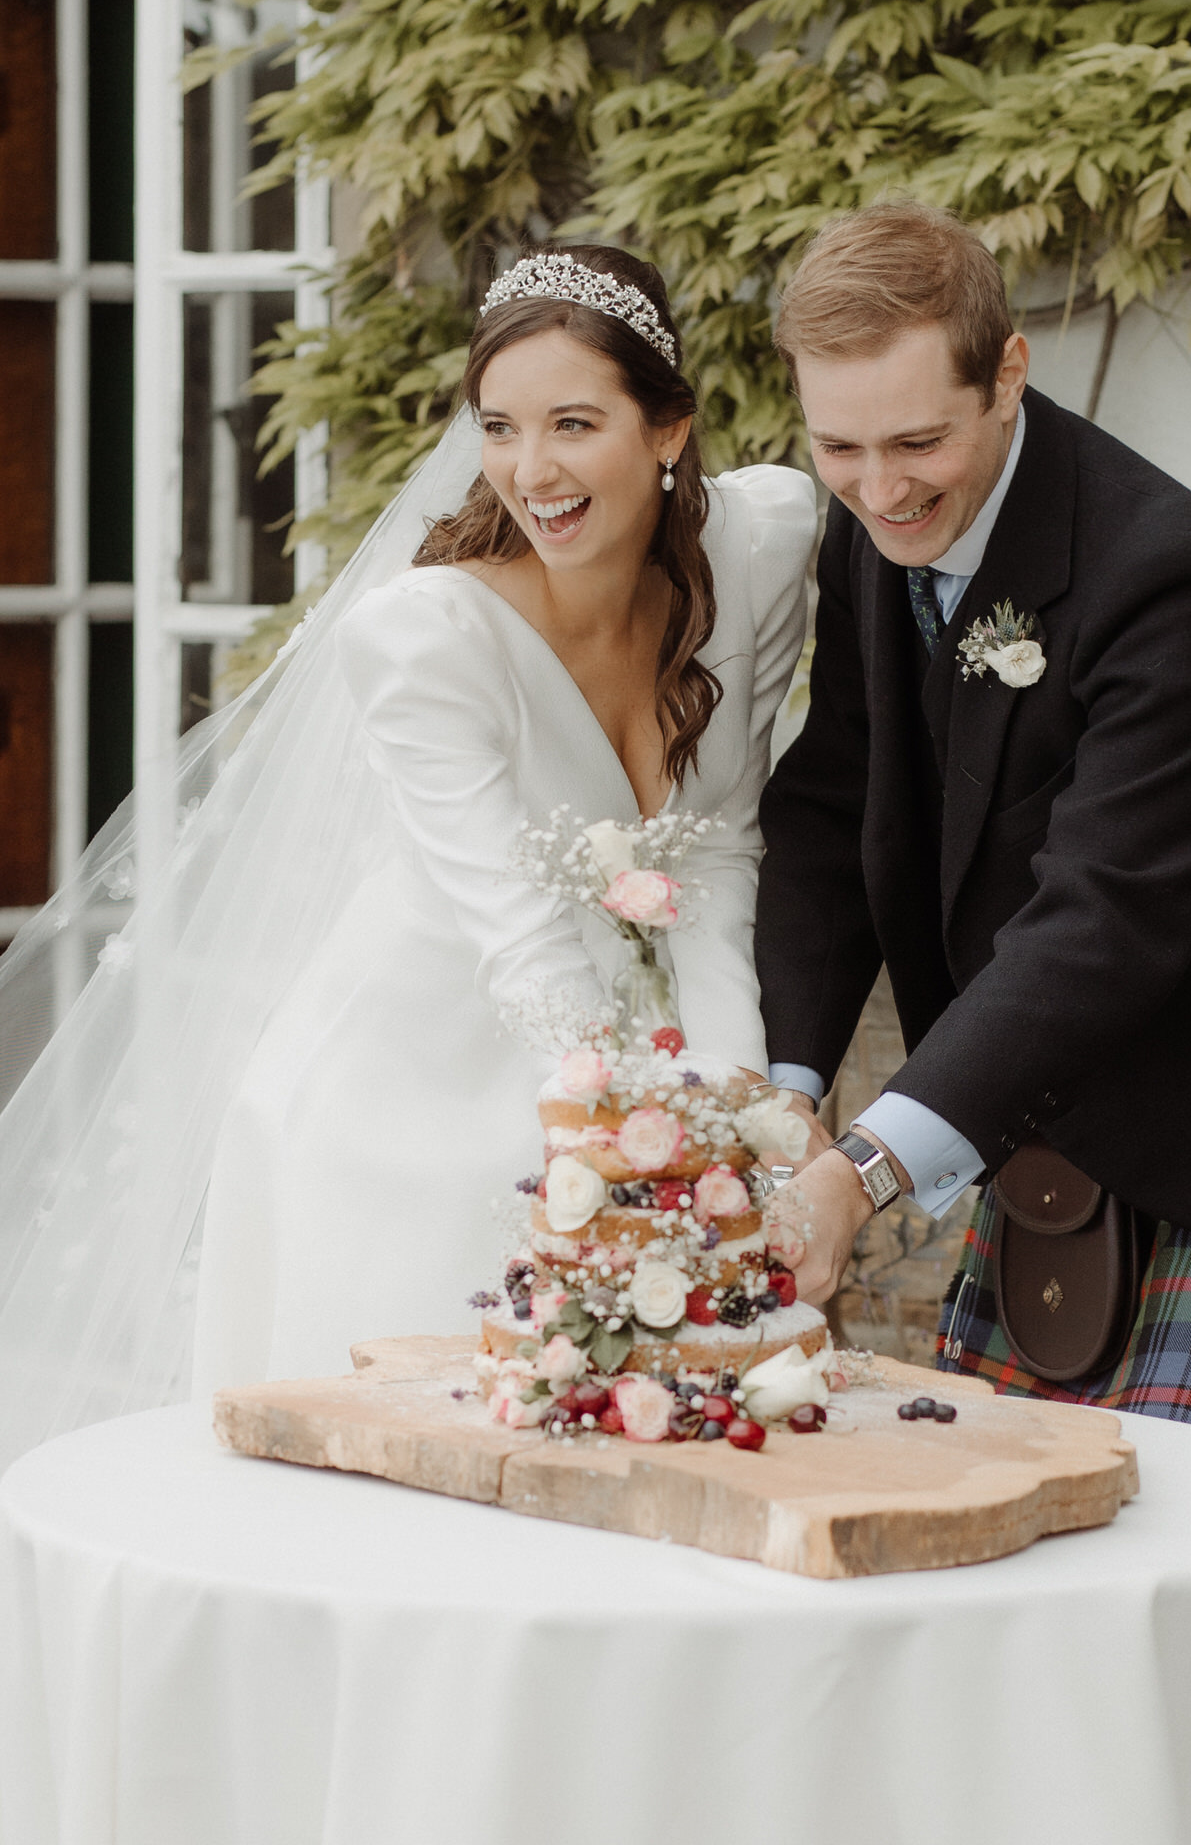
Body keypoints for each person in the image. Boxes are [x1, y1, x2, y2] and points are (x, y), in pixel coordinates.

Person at [0, 247, 814, 1461]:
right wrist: (652, 1160)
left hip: (610, 1076)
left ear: (668, 430)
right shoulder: (427, 639)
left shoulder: (764, 547)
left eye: (574, 424)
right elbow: (527, 945)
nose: (532, 470)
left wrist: (739, 1109)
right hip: (402, 1111)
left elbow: (714, 859)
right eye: (499, 425)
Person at [754, 199, 1191, 1641]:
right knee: (1036, 1600)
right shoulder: (870, 530)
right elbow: (829, 810)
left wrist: (860, 1174)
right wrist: (787, 1096)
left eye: (918, 443)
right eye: (839, 448)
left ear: (1008, 375)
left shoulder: (1164, 575)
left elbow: (1102, 925)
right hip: (1060, 1111)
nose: (879, 490)